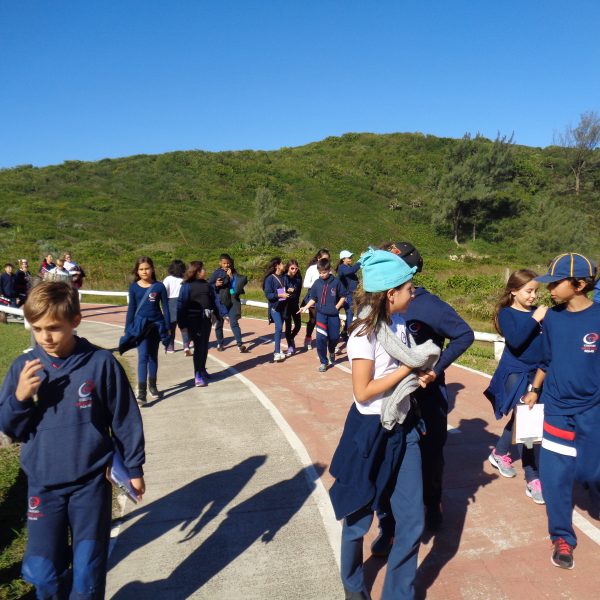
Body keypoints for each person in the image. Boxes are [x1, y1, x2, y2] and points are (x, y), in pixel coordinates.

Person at [0, 281, 145, 599]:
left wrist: (134, 467)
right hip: (43, 485)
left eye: (53, 328)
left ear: (75, 321)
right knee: (43, 573)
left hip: (90, 485)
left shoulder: (100, 363)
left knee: (88, 572)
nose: (45, 337)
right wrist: (20, 398)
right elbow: (10, 428)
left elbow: (124, 419)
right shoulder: (24, 367)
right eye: (37, 328)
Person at [328, 248, 439, 600]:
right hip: (370, 431)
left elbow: (405, 369)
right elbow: (363, 391)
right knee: (357, 518)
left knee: (413, 520)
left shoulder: (400, 325)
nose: (413, 293)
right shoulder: (364, 333)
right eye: (408, 288)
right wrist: (408, 369)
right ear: (391, 294)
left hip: (404, 426)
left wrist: (420, 375)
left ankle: (398, 594)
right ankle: (353, 587)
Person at [371, 241, 474, 551]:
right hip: (389, 397)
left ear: (409, 269)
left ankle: (433, 502)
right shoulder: (378, 305)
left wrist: (435, 370)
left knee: (431, 457)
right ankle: (388, 525)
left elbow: (465, 334)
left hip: (427, 399)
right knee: (388, 459)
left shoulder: (429, 305)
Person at [522, 252, 600, 570]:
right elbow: (547, 359)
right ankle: (562, 537)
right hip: (555, 408)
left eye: (556, 283)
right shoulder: (552, 318)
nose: (550, 289)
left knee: (589, 474)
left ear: (579, 285)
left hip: (592, 410)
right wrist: (534, 389)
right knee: (555, 478)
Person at [484, 270, 547, 503]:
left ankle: (499, 452)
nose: (533, 296)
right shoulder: (507, 313)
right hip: (516, 372)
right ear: (513, 291)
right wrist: (535, 319)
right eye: (528, 291)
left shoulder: (537, 312)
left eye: (535, 292)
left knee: (521, 418)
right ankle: (532, 478)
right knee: (528, 421)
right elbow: (517, 341)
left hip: (537, 373)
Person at [122, 257, 171, 404]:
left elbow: (166, 308)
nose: (144, 271)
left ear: (152, 269)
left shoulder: (159, 286)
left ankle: (153, 386)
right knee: (143, 356)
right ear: (137, 271)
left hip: (156, 326)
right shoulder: (133, 287)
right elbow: (131, 309)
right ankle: (142, 393)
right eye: (141, 269)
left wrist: (168, 327)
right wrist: (128, 328)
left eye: (147, 268)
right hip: (140, 327)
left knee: (153, 356)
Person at [177, 261, 228, 387]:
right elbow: (181, 304)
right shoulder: (187, 286)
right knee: (199, 347)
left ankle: (202, 369)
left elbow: (215, 300)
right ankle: (197, 375)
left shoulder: (207, 285)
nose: (205, 271)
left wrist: (223, 313)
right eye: (202, 269)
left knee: (204, 346)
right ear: (196, 271)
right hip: (193, 320)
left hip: (206, 319)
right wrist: (181, 323)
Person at [299, 258, 346, 372]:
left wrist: (336, 307)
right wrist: (305, 307)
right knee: (320, 339)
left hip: (333, 316)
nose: (322, 275)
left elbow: (343, 296)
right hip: (321, 315)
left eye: (324, 272)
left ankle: (331, 350)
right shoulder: (317, 283)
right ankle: (323, 362)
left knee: (334, 338)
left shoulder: (336, 282)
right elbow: (313, 298)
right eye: (320, 273)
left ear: (329, 270)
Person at [208, 254, 248, 353]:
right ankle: (220, 343)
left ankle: (240, 345)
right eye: (224, 263)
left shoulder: (234, 273)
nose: (226, 265)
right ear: (220, 263)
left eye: (228, 263)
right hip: (220, 303)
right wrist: (215, 284)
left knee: (234, 323)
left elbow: (236, 286)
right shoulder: (217, 273)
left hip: (232, 302)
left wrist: (232, 278)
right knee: (219, 324)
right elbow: (209, 284)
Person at [302, 248, 330, 350]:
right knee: (314, 319)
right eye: (324, 259)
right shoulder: (312, 269)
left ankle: (325, 341)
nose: (326, 261)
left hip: (325, 297)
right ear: (318, 258)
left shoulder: (328, 269)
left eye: (327, 259)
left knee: (325, 319)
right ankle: (308, 338)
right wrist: (318, 285)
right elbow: (305, 284)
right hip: (313, 296)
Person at [263, 257, 289, 362]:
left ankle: (277, 350)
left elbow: (285, 289)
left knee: (279, 329)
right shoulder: (270, 279)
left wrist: (289, 290)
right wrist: (280, 294)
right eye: (282, 263)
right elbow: (268, 295)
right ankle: (277, 352)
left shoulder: (284, 277)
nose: (284, 265)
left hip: (283, 307)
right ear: (277, 266)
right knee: (279, 328)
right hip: (275, 307)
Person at [162, 259, 189, 354]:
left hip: (170, 303)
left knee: (170, 327)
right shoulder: (184, 279)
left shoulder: (168, 279)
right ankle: (186, 346)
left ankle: (170, 347)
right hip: (183, 303)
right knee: (184, 327)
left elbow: (163, 292)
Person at [336, 250, 361, 340]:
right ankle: (348, 334)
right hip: (345, 295)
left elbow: (353, 274)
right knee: (349, 313)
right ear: (343, 259)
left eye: (351, 257)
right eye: (349, 257)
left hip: (352, 295)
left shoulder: (349, 267)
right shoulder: (342, 267)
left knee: (350, 313)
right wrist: (360, 261)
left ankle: (344, 332)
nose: (351, 259)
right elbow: (351, 271)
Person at [283, 259, 303, 356]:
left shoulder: (298, 279)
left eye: (296, 268)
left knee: (298, 325)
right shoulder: (283, 278)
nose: (294, 270)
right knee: (288, 326)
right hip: (286, 305)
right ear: (288, 268)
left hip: (295, 304)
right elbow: (280, 292)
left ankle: (291, 337)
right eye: (292, 268)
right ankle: (290, 345)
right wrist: (287, 291)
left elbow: (298, 293)